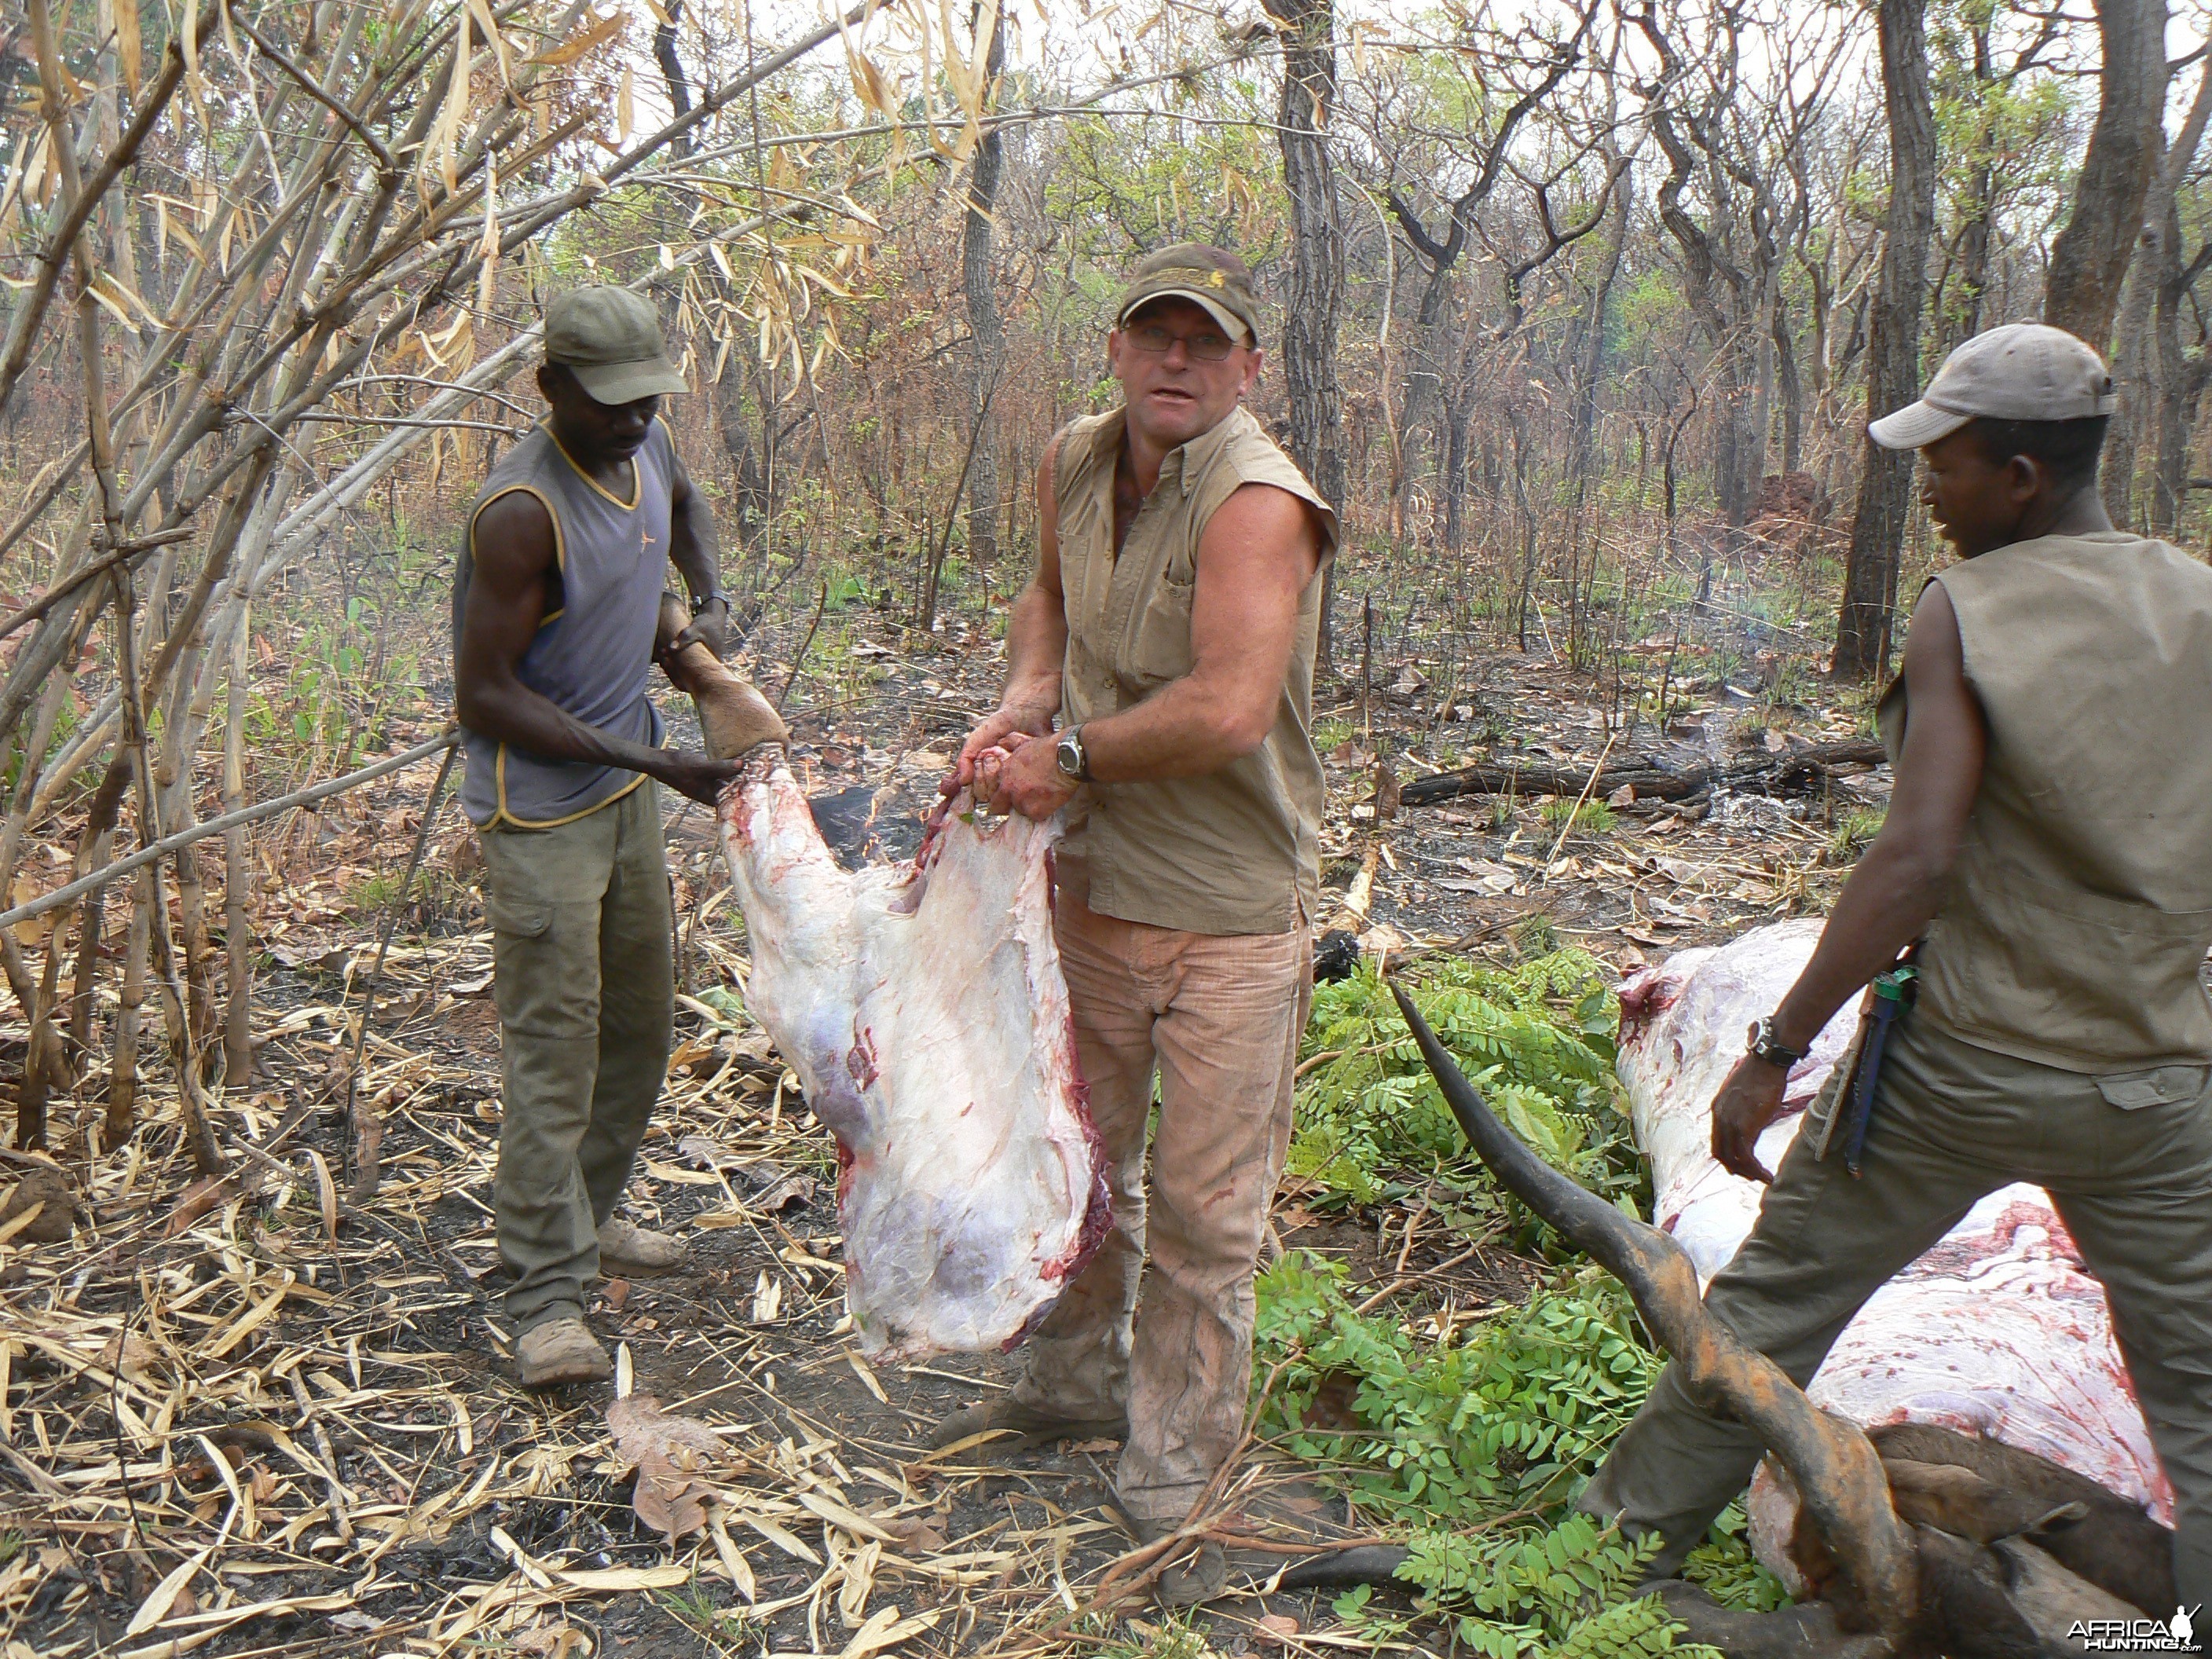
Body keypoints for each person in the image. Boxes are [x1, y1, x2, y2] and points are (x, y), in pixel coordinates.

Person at [1576, 322, 2212, 1605]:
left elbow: (1915, 859)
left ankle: (1603, 1563)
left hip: (1961, 1073)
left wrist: (1774, 1048)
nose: (1928, 483)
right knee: (2198, 1400)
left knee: (1769, 1313)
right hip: (2153, 1089)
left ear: (2022, 479)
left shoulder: (1963, 612)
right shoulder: (2197, 602)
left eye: (1950, 461)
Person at [936, 244, 1339, 1606]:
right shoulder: (1071, 456)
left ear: (1247, 367)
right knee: (1078, 1158)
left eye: (1204, 343)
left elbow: (1230, 708)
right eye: (1152, 336)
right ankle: (1062, 1386)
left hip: (1225, 912)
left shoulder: (1258, 502)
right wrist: (1024, 702)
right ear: (1115, 347)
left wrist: (1078, 763)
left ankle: (1175, 1458)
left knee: (1205, 1210)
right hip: (1094, 886)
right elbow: (1047, 607)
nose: (1176, 362)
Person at [453, 286, 739, 1390]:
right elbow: (484, 695)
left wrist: (706, 602)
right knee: (555, 1053)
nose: (634, 421)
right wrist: (657, 765)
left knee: (639, 1024)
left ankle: (588, 1213)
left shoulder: (644, 438)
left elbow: (688, 505)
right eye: (611, 404)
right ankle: (544, 1297)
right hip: (544, 813)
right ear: (552, 388)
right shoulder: (521, 512)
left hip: (623, 794)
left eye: (647, 400)